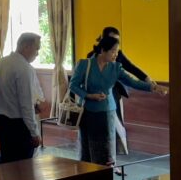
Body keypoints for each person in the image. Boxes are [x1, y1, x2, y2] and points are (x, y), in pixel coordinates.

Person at [71, 34, 167, 167]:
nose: (116, 54)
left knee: (106, 151)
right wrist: (88, 95)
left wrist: (154, 87)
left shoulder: (116, 68)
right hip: (87, 113)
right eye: (113, 51)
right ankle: (86, 175)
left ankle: (105, 175)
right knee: (86, 150)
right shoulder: (84, 64)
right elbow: (73, 85)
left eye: (117, 51)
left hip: (107, 113)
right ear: (103, 50)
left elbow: (133, 82)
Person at [86, 26, 152, 159]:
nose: (115, 45)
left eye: (117, 41)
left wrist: (148, 80)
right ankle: (102, 158)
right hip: (95, 98)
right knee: (99, 131)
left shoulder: (118, 54)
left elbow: (131, 69)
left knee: (116, 125)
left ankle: (112, 157)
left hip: (114, 94)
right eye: (112, 40)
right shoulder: (91, 56)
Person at [0, 32, 43, 163]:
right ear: (26, 46)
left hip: (0, 122)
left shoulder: (0, 63)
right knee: (22, 168)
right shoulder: (24, 68)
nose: (37, 53)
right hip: (17, 127)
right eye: (36, 49)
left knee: (5, 164)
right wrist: (34, 132)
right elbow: (26, 105)